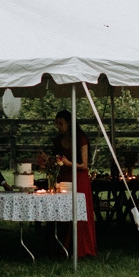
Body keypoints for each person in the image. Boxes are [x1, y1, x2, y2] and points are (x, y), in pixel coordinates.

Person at [52, 109, 95, 258]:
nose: (58, 126)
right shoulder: (58, 140)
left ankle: (82, 247)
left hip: (79, 177)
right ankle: (63, 246)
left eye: (61, 123)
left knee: (80, 212)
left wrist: (68, 163)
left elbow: (84, 165)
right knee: (63, 212)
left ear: (69, 123)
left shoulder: (81, 139)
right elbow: (56, 160)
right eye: (56, 123)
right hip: (63, 178)